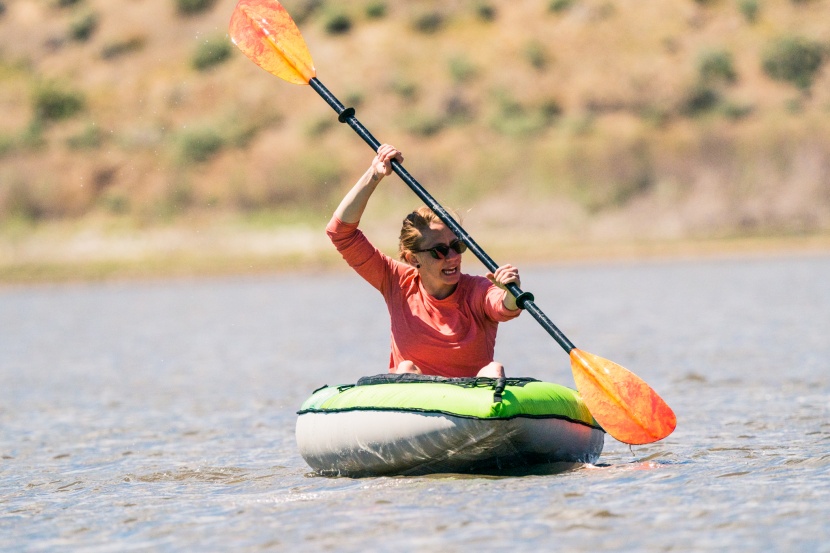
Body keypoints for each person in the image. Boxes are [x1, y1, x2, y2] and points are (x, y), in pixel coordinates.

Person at [326, 144, 523, 378]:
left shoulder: (479, 290)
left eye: (457, 246)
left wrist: (512, 292)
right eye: (439, 251)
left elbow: (505, 307)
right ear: (413, 258)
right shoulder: (396, 282)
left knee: (494, 370)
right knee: (407, 368)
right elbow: (340, 233)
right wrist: (374, 174)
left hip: (471, 395)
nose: (453, 257)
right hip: (414, 392)